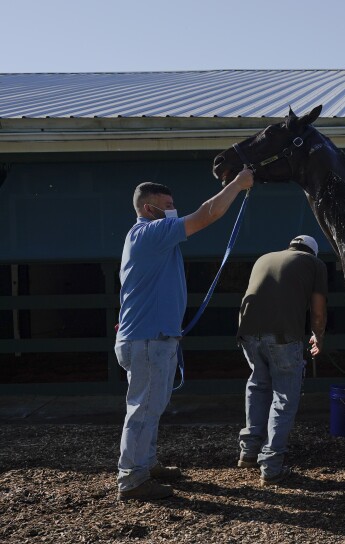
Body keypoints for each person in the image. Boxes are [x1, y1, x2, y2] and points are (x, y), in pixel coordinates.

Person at [114, 169, 254, 501]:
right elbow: (208, 215)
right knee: (143, 408)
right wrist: (237, 185)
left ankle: (146, 463)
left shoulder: (149, 238)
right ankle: (132, 479)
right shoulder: (150, 233)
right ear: (150, 208)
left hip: (153, 336)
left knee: (151, 406)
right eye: (168, 204)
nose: (173, 209)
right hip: (148, 339)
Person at [236, 234, 328, 486]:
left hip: (247, 333)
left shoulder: (264, 258)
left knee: (258, 385)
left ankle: (249, 452)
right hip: (283, 337)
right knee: (285, 397)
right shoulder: (314, 264)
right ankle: (272, 466)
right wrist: (318, 337)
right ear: (313, 252)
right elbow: (318, 311)